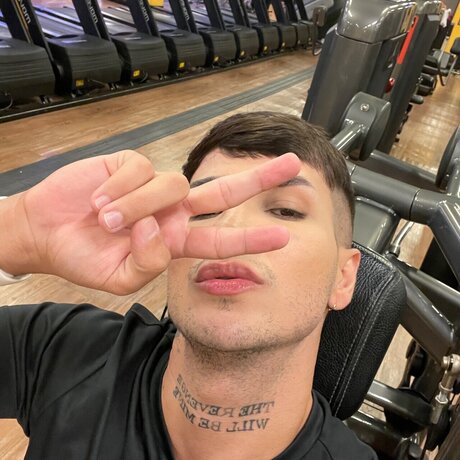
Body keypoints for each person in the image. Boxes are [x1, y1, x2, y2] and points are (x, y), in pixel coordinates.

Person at [0, 112, 376, 459]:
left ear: (343, 277)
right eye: (205, 210)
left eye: (286, 210)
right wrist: (17, 230)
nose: (229, 227)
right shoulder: (62, 350)